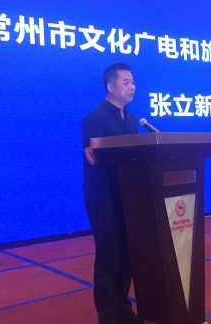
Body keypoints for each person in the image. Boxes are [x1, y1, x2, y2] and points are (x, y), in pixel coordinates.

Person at [82, 63, 140, 324]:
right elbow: (95, 158)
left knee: (128, 256)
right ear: (110, 86)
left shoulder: (131, 119)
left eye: (133, 82)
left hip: (127, 198)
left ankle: (122, 310)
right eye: (126, 82)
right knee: (109, 258)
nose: (132, 87)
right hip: (103, 198)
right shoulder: (94, 119)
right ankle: (107, 318)